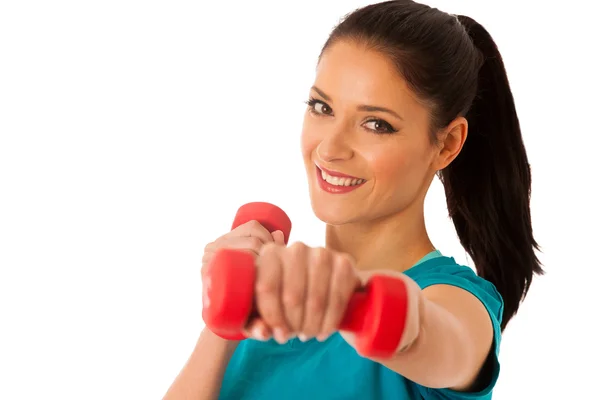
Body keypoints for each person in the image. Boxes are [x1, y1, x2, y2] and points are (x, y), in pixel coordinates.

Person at [163, 1, 542, 399]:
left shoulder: (456, 302)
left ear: (446, 145)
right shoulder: (269, 303)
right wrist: (223, 318)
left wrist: (345, 299)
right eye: (322, 107)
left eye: (376, 124)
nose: (329, 148)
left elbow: (426, 335)